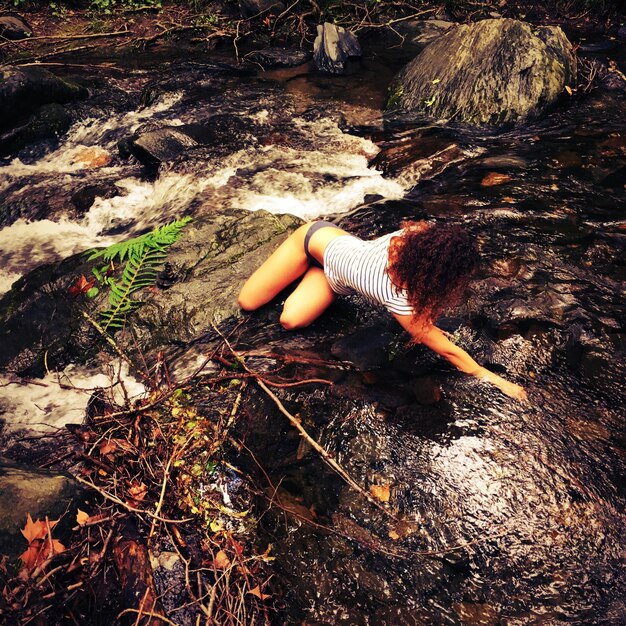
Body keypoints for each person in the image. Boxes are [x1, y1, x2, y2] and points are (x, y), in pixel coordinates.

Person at [238, 220, 527, 400]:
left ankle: (314, 271)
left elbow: (430, 325)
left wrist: (428, 324)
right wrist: (497, 381)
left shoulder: (412, 238)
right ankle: (306, 259)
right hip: (312, 241)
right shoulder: (399, 290)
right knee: (247, 303)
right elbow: (449, 352)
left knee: (289, 320)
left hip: (332, 279)